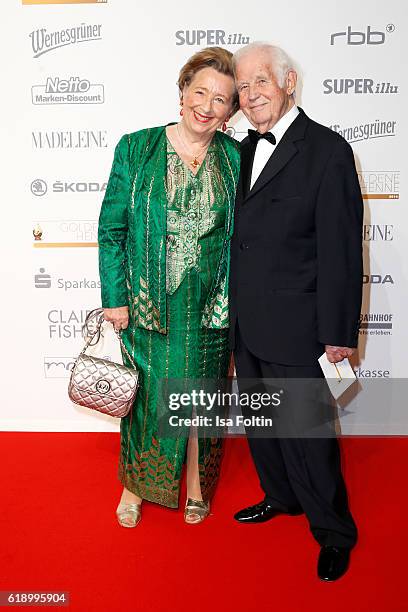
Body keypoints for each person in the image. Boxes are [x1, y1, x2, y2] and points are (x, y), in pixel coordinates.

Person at [229, 42, 363, 581]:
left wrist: (337, 332)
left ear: (288, 81)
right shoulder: (238, 151)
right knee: (263, 427)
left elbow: (340, 251)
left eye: (261, 81)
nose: (251, 93)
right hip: (247, 322)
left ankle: (334, 531)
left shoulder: (327, 151)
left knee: (308, 434)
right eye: (242, 86)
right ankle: (279, 496)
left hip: (300, 326)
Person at [98, 47, 240, 528]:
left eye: (221, 99)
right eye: (200, 91)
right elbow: (112, 229)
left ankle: (197, 485)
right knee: (146, 398)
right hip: (147, 306)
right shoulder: (136, 148)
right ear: (182, 92)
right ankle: (135, 485)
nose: (207, 105)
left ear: (231, 110)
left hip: (211, 307)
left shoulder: (238, 158)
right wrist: (114, 296)